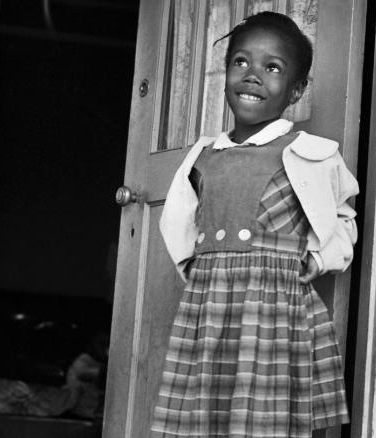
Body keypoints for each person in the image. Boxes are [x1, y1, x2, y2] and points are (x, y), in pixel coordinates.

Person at [153, 11, 358, 437]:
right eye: (240, 62)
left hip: (275, 308)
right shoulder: (204, 155)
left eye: (272, 67)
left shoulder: (311, 154)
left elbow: (344, 218)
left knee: (264, 418)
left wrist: (319, 261)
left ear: (297, 89)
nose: (252, 75)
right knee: (206, 412)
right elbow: (178, 217)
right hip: (211, 304)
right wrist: (191, 265)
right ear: (225, 74)